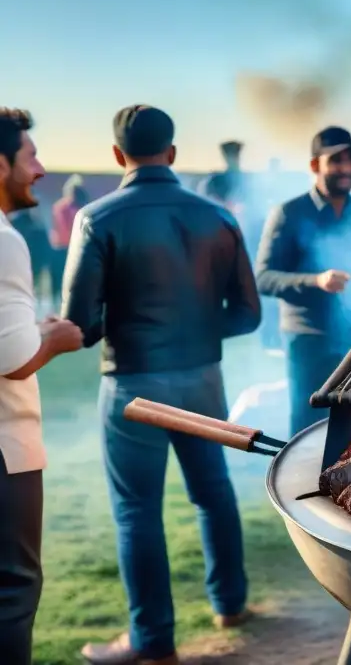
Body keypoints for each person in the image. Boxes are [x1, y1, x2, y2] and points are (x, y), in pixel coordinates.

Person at [63, 106, 261, 665]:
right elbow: (247, 315)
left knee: (137, 513)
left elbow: (80, 326)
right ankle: (230, 604)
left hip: (132, 387)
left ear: (117, 156)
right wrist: (194, 329)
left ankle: (152, 643)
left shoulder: (97, 218)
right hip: (202, 378)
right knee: (213, 492)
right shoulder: (218, 216)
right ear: (172, 153)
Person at [0, 107, 83, 665]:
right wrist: (59, 337)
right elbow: (13, 357)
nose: (41, 168)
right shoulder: (5, 240)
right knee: (11, 590)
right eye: (30, 157)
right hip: (4, 452)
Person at [255, 126, 351, 436]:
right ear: (315, 166)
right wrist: (315, 280)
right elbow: (263, 278)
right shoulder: (288, 214)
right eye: (337, 161)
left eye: (350, 160)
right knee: (306, 429)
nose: (346, 169)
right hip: (308, 340)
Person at [49, 174, 90, 308]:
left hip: (72, 247)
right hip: (63, 247)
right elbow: (62, 228)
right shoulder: (62, 207)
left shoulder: (81, 207)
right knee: (60, 278)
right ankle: (58, 304)